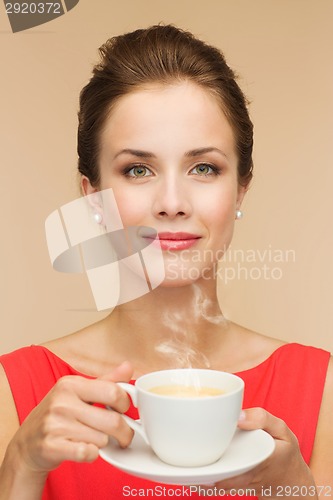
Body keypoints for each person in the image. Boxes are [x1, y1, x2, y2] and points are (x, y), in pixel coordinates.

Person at [0, 24, 332, 499]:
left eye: (204, 168)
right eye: (138, 169)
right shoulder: (16, 391)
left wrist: (297, 491)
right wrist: (20, 468)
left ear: (240, 189)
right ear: (93, 200)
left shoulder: (321, 391)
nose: (172, 202)